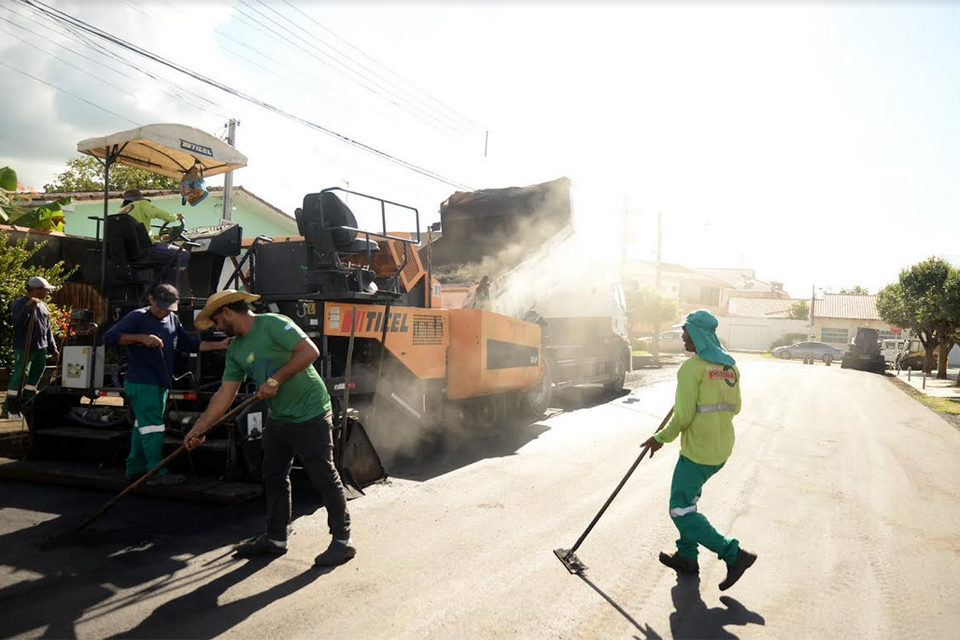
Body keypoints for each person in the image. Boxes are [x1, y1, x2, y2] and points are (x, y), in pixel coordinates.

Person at [184, 290, 355, 566]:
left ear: (227, 312)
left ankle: (342, 540)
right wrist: (200, 427)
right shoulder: (236, 349)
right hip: (279, 417)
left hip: (311, 410)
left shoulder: (272, 323)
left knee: (323, 474)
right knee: (273, 475)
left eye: (216, 321)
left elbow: (310, 351)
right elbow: (224, 395)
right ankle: (276, 539)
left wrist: (275, 380)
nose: (216, 328)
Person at [642, 309, 757, 591]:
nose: (683, 336)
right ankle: (687, 557)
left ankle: (733, 553)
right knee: (689, 503)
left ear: (699, 335)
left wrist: (660, 437)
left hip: (697, 453)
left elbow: (682, 418)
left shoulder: (691, 369)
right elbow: (737, 407)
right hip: (721, 450)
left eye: (687, 331)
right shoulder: (730, 367)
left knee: (680, 510)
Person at [103, 284, 230, 486]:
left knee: (142, 425)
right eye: (161, 307)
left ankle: (135, 468)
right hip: (142, 382)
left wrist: (220, 344)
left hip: (159, 382)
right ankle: (156, 472)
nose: (164, 312)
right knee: (153, 426)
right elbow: (109, 337)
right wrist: (142, 338)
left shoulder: (172, 319)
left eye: (168, 308)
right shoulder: (138, 316)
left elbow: (188, 344)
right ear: (151, 299)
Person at [2, 276, 59, 419]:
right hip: (24, 347)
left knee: (35, 375)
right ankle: (9, 407)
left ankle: (26, 403)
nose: (47, 293)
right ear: (36, 289)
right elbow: (17, 323)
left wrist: (53, 348)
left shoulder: (43, 306)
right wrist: (28, 306)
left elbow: (48, 329)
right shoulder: (19, 303)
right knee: (22, 375)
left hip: (40, 348)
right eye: (45, 290)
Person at [117, 189, 189, 286]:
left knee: (162, 262)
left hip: (131, 253)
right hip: (147, 250)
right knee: (183, 254)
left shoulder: (122, 212)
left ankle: (155, 292)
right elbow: (158, 213)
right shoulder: (141, 204)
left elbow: (136, 235)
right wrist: (175, 217)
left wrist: (159, 237)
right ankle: (168, 290)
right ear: (139, 198)